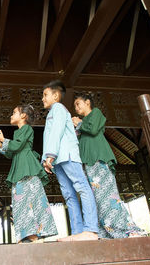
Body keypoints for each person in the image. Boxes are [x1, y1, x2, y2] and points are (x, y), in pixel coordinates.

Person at [72, 93, 144, 238]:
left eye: (78, 103)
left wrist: (79, 124)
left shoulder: (95, 113)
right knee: (96, 198)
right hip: (88, 162)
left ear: (87, 102)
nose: (76, 107)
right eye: (75, 106)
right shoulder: (84, 121)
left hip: (99, 159)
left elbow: (92, 130)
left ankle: (126, 229)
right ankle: (105, 232)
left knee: (108, 196)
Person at [0, 105, 58, 243]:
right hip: (21, 168)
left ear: (23, 116)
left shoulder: (26, 128)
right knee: (21, 203)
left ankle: (34, 234)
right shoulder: (19, 132)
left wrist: (3, 139)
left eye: (14, 112)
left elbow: (16, 146)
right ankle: (27, 235)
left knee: (30, 201)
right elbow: (10, 153)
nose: (11, 115)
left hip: (27, 168)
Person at [41, 80, 99, 241]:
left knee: (82, 188)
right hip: (58, 159)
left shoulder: (58, 108)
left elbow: (57, 131)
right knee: (68, 195)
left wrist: (50, 154)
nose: (43, 99)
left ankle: (90, 229)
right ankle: (77, 232)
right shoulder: (55, 111)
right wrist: (48, 158)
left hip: (66, 155)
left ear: (56, 95)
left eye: (45, 95)